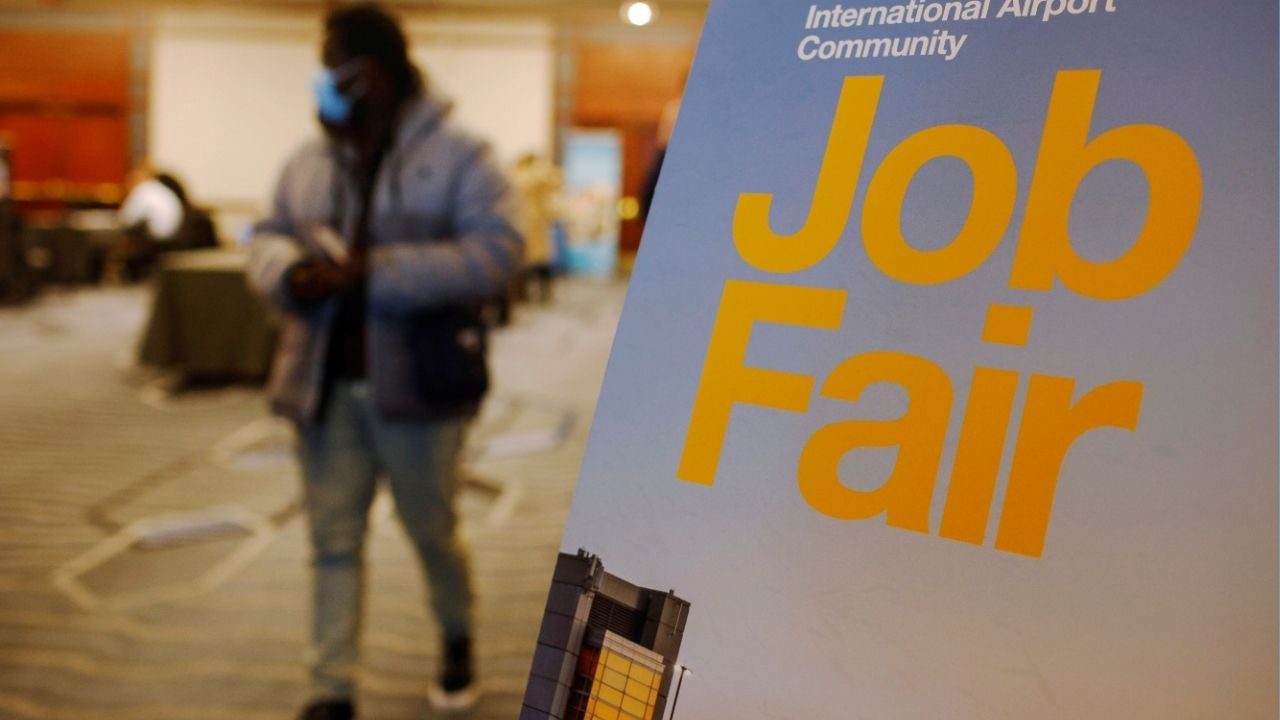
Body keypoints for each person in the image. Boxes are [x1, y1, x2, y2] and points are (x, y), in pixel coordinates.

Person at [245, 5, 522, 719]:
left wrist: (381, 271)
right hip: (323, 385)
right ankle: (331, 689)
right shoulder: (309, 159)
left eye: (340, 63)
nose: (327, 79)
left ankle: (456, 639)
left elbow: (498, 252)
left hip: (420, 391)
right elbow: (267, 234)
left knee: (431, 531)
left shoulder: (460, 154)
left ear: (379, 71)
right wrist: (291, 274)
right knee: (331, 539)